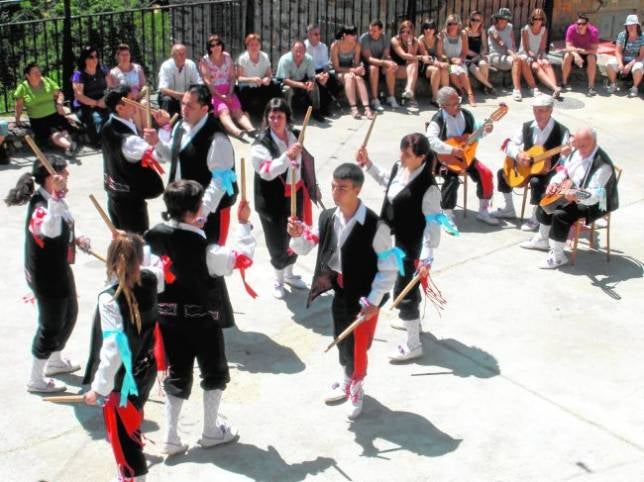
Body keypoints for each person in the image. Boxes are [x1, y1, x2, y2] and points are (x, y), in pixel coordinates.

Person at [145, 180, 256, 454]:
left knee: (177, 374)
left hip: (167, 319)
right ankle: (210, 431)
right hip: (202, 321)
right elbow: (241, 258)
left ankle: (170, 437)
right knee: (214, 372)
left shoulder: (153, 237)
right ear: (194, 212)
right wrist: (243, 224)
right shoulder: (206, 250)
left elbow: (147, 275)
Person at [288, 163, 398, 419]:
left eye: (343, 188)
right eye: (333, 187)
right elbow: (306, 246)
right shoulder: (327, 217)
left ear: (357, 190)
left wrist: (373, 301)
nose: (336, 193)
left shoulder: (375, 226)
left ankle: (357, 385)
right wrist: (296, 235)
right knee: (341, 337)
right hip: (339, 287)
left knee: (359, 345)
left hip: (365, 294)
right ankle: (347, 376)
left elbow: (389, 268)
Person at [5, 157, 90, 393]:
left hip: (59, 267)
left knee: (70, 313)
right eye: (63, 174)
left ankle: (54, 360)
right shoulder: (41, 205)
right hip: (46, 274)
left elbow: (66, 221)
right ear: (51, 178)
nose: (68, 177)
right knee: (51, 324)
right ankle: (36, 378)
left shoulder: (55, 200)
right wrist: (55, 198)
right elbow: (50, 230)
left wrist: (79, 236)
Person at [83, 232, 164, 482]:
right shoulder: (152, 279)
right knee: (133, 416)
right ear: (140, 259)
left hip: (122, 380)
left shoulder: (109, 299)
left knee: (125, 439)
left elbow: (114, 348)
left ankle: (134, 477)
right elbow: (154, 261)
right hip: (146, 368)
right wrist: (133, 243)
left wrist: (99, 388)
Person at [356, 133, 444, 362]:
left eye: (407, 155)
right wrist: (368, 164)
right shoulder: (400, 166)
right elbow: (389, 181)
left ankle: (413, 344)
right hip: (394, 234)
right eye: (401, 152)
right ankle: (413, 323)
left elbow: (433, 224)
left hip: (412, 244)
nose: (401, 157)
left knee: (404, 292)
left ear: (422, 158)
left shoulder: (429, 188)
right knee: (399, 284)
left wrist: (426, 257)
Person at [249, 98, 319, 299]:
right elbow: (266, 171)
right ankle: (278, 278)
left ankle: (289, 274)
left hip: (294, 193)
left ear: (287, 118)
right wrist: (287, 156)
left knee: (295, 234)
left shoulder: (295, 135)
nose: (275, 120)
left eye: (279, 116)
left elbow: (302, 163)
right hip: (272, 201)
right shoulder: (261, 143)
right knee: (277, 240)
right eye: (271, 116)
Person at [520, 127, 618, 269]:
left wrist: (576, 194)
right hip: (572, 190)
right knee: (545, 200)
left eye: (583, 146)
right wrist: (554, 183)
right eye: (577, 145)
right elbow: (565, 171)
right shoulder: (577, 152)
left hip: (595, 202)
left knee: (561, 214)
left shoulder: (602, 165)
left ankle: (558, 257)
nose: (579, 149)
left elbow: (595, 195)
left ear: (594, 142)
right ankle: (542, 239)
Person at [153, 84, 238, 245]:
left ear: (205, 109)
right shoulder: (180, 125)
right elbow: (173, 156)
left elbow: (221, 182)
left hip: (208, 210)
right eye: (183, 103)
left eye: (190, 106)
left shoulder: (217, 139)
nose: (184, 109)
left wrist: (201, 213)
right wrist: (157, 142)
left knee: (210, 260)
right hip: (181, 205)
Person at [491, 95, 571, 231]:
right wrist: (518, 154)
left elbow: (566, 161)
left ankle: (536, 217)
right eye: (535, 110)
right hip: (525, 167)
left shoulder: (562, 131)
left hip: (550, 170)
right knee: (502, 173)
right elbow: (509, 144)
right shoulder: (527, 126)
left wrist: (566, 155)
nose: (537, 114)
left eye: (542, 110)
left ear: (551, 110)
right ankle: (508, 208)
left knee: (536, 182)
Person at [425, 86, 498, 226]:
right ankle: (447, 215)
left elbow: (475, 134)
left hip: (466, 156)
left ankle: (483, 211)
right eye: (454, 104)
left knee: (485, 173)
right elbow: (431, 141)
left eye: (458, 101)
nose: (458, 105)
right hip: (444, 159)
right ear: (443, 105)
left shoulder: (466, 115)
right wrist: (451, 150)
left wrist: (486, 129)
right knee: (452, 180)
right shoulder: (438, 119)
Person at [101, 85, 165, 234]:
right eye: (131, 100)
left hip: (114, 196)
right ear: (119, 108)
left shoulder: (107, 126)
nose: (136, 102)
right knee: (137, 247)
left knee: (125, 246)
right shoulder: (129, 140)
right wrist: (165, 126)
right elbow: (161, 156)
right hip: (130, 203)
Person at [200, 34, 256, 140]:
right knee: (224, 112)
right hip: (215, 92)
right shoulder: (205, 61)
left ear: (221, 45)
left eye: (218, 44)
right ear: (209, 48)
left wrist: (230, 92)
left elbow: (232, 77)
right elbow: (207, 81)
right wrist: (221, 96)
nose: (216, 47)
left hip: (228, 90)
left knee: (237, 111)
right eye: (212, 45)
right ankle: (238, 132)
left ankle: (252, 130)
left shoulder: (227, 56)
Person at [14, 63, 77, 155]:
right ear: (27, 75)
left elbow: (59, 94)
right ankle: (69, 145)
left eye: (39, 71)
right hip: (39, 120)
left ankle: (68, 146)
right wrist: (17, 120)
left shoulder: (47, 81)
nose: (39, 74)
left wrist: (59, 104)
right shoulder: (23, 88)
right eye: (35, 72)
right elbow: (18, 106)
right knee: (55, 133)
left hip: (54, 114)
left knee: (63, 130)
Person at [276, 39, 327, 122]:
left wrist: (310, 83)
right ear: (292, 50)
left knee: (314, 87)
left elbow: (311, 76)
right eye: (296, 51)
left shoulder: (309, 59)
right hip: (288, 83)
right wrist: (301, 85)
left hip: (302, 81)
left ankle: (316, 111)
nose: (299, 53)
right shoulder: (284, 59)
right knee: (287, 89)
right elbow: (285, 80)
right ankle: (288, 115)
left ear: (305, 51)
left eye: (302, 51)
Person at [330, 25, 373, 119]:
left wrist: (360, 69)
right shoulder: (336, 45)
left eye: (355, 34)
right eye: (352, 34)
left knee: (358, 78)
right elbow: (336, 67)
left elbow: (356, 63)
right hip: (338, 72)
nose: (355, 36)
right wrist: (353, 70)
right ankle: (353, 108)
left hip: (350, 70)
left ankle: (367, 108)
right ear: (344, 35)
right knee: (349, 77)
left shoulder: (357, 45)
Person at [236, 33, 282, 116]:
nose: (254, 47)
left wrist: (267, 79)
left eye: (256, 44)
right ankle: (244, 113)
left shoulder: (265, 56)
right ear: (247, 46)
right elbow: (239, 78)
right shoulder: (243, 58)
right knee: (242, 87)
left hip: (261, 85)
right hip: (249, 86)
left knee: (276, 85)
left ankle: (277, 110)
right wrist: (253, 79)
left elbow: (269, 74)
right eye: (251, 45)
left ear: (260, 46)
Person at [518, 9, 561, 98]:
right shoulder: (526, 29)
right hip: (527, 53)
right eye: (535, 18)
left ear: (543, 19)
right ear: (532, 19)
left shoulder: (544, 30)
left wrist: (540, 57)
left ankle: (555, 89)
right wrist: (536, 59)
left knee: (546, 63)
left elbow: (542, 47)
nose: (538, 21)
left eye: (540, 18)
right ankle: (555, 88)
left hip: (538, 53)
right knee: (536, 66)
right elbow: (526, 49)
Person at [72, 46, 109, 148]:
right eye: (91, 57)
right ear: (85, 59)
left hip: (102, 102)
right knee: (98, 120)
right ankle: (99, 141)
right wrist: (96, 103)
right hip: (85, 106)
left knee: (114, 116)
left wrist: (104, 100)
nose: (95, 59)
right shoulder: (78, 75)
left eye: (96, 56)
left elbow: (110, 87)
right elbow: (79, 96)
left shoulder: (102, 70)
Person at [360, 19, 399, 109]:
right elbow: (368, 59)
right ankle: (375, 99)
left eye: (374, 31)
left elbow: (386, 54)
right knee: (374, 68)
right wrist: (384, 63)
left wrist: (388, 63)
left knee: (391, 67)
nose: (371, 33)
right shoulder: (364, 38)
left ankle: (391, 97)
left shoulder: (385, 37)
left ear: (381, 30)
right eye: (370, 30)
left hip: (380, 63)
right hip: (367, 66)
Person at [438, 14, 477, 106]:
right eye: (449, 23)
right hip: (448, 62)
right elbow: (440, 53)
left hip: (459, 61)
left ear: (458, 24)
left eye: (454, 23)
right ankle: (462, 91)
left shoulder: (462, 34)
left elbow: (465, 51)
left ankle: (470, 94)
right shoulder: (442, 34)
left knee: (461, 72)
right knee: (453, 73)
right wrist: (451, 60)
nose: (452, 26)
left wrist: (460, 59)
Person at [487, 8, 525, 101]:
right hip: (496, 56)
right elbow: (502, 44)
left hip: (509, 55)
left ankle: (533, 87)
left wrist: (515, 52)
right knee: (516, 60)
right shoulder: (492, 30)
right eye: (502, 18)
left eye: (505, 19)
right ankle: (517, 89)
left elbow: (512, 43)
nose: (503, 21)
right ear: (498, 19)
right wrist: (513, 55)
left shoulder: (509, 27)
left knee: (523, 59)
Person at [158, 43, 202, 117]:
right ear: (173, 56)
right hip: (171, 97)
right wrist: (180, 95)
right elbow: (163, 89)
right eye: (179, 54)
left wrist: (192, 94)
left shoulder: (191, 64)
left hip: (187, 96)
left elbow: (199, 83)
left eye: (184, 54)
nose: (183, 56)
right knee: (167, 99)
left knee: (201, 97)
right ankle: (166, 125)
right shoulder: (166, 66)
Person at [305, 23, 340, 114]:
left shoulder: (323, 47)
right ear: (309, 35)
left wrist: (326, 75)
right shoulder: (303, 47)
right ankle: (319, 110)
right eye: (315, 34)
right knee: (317, 83)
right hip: (309, 72)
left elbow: (325, 65)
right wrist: (316, 76)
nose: (318, 36)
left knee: (333, 81)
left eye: (319, 34)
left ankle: (327, 106)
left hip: (321, 71)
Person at [606, 14, 644, 97]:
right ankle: (613, 84)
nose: (630, 27)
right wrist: (620, 64)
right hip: (623, 58)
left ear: (637, 26)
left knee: (638, 67)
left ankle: (635, 88)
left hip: (636, 59)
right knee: (609, 64)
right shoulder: (622, 35)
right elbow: (617, 51)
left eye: (632, 25)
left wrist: (629, 65)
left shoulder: (642, 36)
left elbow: (641, 56)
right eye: (628, 25)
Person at [561, 14, 599, 95]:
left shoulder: (593, 31)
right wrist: (576, 54)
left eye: (583, 24)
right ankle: (563, 83)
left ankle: (591, 87)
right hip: (574, 51)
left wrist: (584, 52)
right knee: (568, 55)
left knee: (591, 58)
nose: (580, 26)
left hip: (587, 53)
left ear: (587, 24)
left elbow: (594, 50)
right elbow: (568, 47)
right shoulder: (571, 29)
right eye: (578, 23)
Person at [390, 20, 421, 108]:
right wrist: (421, 57)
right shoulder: (395, 40)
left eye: (408, 32)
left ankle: (409, 90)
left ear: (412, 32)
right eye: (402, 31)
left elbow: (411, 58)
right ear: (399, 31)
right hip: (393, 69)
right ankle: (411, 96)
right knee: (415, 62)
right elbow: (404, 56)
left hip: (406, 68)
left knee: (414, 63)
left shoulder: (415, 41)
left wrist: (410, 43)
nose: (405, 34)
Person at [417, 19, 449, 106]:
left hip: (435, 63)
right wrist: (439, 64)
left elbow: (439, 55)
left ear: (434, 30)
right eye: (426, 27)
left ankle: (446, 97)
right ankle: (435, 98)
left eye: (431, 28)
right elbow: (427, 57)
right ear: (423, 29)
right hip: (424, 66)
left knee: (444, 70)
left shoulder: (438, 39)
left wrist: (441, 63)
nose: (428, 30)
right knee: (436, 70)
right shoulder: (420, 39)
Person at [464, 11, 495, 94]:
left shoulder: (482, 31)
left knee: (483, 64)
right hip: (467, 58)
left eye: (478, 20)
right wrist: (478, 55)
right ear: (469, 20)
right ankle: (489, 86)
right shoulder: (465, 32)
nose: (475, 22)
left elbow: (485, 47)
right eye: (473, 20)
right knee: (476, 69)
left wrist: (482, 53)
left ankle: (483, 86)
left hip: (478, 56)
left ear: (481, 22)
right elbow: (465, 49)